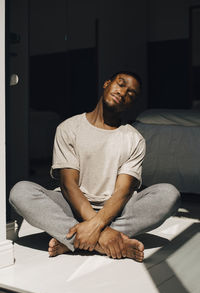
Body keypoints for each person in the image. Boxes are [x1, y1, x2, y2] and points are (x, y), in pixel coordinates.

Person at [9, 71, 181, 262]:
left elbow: (122, 192)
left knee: (169, 194)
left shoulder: (134, 139)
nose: (123, 92)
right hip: (72, 206)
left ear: (132, 103)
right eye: (120, 84)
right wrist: (100, 228)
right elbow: (69, 185)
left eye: (131, 94)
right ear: (107, 84)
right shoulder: (69, 128)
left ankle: (71, 240)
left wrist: (98, 223)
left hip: (116, 210)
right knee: (21, 192)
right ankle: (105, 241)